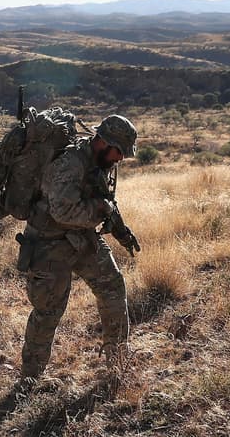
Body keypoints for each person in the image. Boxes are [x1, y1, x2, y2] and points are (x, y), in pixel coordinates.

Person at [16, 115, 140, 392]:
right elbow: (64, 211)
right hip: (49, 245)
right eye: (119, 151)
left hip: (82, 240)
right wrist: (98, 210)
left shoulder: (101, 162)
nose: (120, 159)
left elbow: (105, 201)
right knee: (48, 312)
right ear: (104, 143)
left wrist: (121, 231)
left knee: (113, 289)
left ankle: (117, 363)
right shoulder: (69, 163)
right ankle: (28, 380)